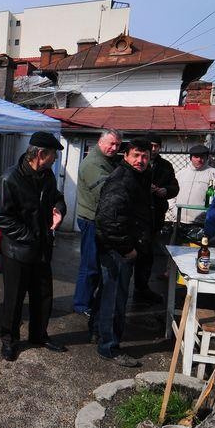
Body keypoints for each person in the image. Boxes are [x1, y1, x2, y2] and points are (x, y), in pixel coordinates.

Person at [0, 131, 67, 362]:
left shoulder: (47, 175)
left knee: (43, 295)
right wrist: (31, 237)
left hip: (42, 249)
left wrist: (59, 210)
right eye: (53, 154)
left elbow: (57, 197)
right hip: (18, 251)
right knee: (14, 299)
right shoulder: (10, 178)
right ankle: (9, 340)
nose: (55, 159)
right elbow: (3, 217)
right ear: (41, 154)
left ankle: (39, 335)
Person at [94, 137, 153, 367]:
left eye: (145, 156)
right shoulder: (122, 180)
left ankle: (98, 333)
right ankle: (109, 347)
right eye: (136, 155)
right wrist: (127, 248)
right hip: (118, 250)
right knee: (114, 300)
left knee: (108, 295)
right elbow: (108, 220)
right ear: (126, 156)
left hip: (121, 247)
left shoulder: (137, 177)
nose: (141, 160)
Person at [72, 128, 123, 317]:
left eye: (117, 145)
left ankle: (87, 301)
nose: (114, 148)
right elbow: (106, 192)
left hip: (99, 219)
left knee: (96, 264)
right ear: (100, 142)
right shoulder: (93, 163)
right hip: (91, 220)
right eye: (111, 143)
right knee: (90, 264)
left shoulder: (109, 160)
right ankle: (81, 304)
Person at [133, 133, 178, 305]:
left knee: (147, 255)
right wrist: (146, 187)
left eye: (156, 146)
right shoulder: (136, 162)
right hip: (136, 216)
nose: (153, 149)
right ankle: (120, 288)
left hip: (155, 216)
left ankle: (141, 288)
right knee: (130, 253)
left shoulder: (165, 166)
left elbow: (174, 187)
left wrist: (165, 191)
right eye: (150, 145)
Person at [171, 145, 215, 225]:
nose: (199, 160)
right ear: (191, 158)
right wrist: (173, 209)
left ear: (207, 158)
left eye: (202, 157)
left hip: (202, 222)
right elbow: (172, 193)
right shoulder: (181, 173)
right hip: (179, 220)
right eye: (196, 157)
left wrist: (208, 214)